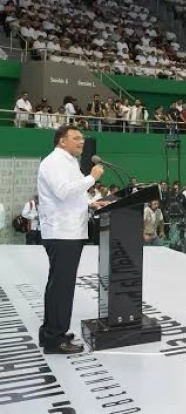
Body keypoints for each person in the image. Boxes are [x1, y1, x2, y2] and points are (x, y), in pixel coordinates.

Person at [37, 125, 105, 354]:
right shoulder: (54, 162)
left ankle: (52, 331)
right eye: (76, 138)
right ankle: (54, 339)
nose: (82, 141)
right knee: (61, 287)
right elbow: (63, 192)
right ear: (61, 141)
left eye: (83, 138)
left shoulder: (68, 162)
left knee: (60, 286)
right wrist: (91, 179)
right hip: (61, 232)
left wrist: (89, 203)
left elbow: (71, 196)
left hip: (69, 231)